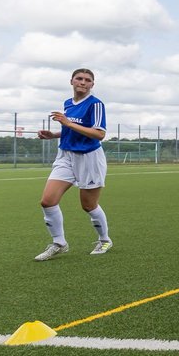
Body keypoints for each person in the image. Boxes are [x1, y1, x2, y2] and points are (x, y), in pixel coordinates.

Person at [33, 68, 112, 260]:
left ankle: (104, 240)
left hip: (89, 157)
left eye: (87, 80)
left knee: (88, 205)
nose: (83, 82)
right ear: (71, 81)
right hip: (65, 156)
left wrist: (67, 124)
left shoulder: (95, 104)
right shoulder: (68, 103)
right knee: (47, 201)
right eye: (79, 79)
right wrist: (54, 134)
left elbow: (99, 134)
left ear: (92, 84)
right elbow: (73, 129)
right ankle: (59, 243)